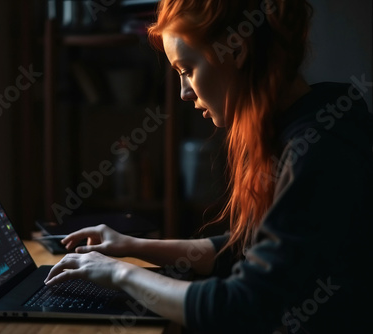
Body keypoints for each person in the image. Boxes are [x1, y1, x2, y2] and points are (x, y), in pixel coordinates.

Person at [45, 0, 373, 332]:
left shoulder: (319, 148)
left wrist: (120, 273)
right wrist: (130, 246)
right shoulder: (312, 117)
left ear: (236, 50)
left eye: (187, 70)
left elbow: (243, 304)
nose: (185, 92)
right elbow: (244, 250)